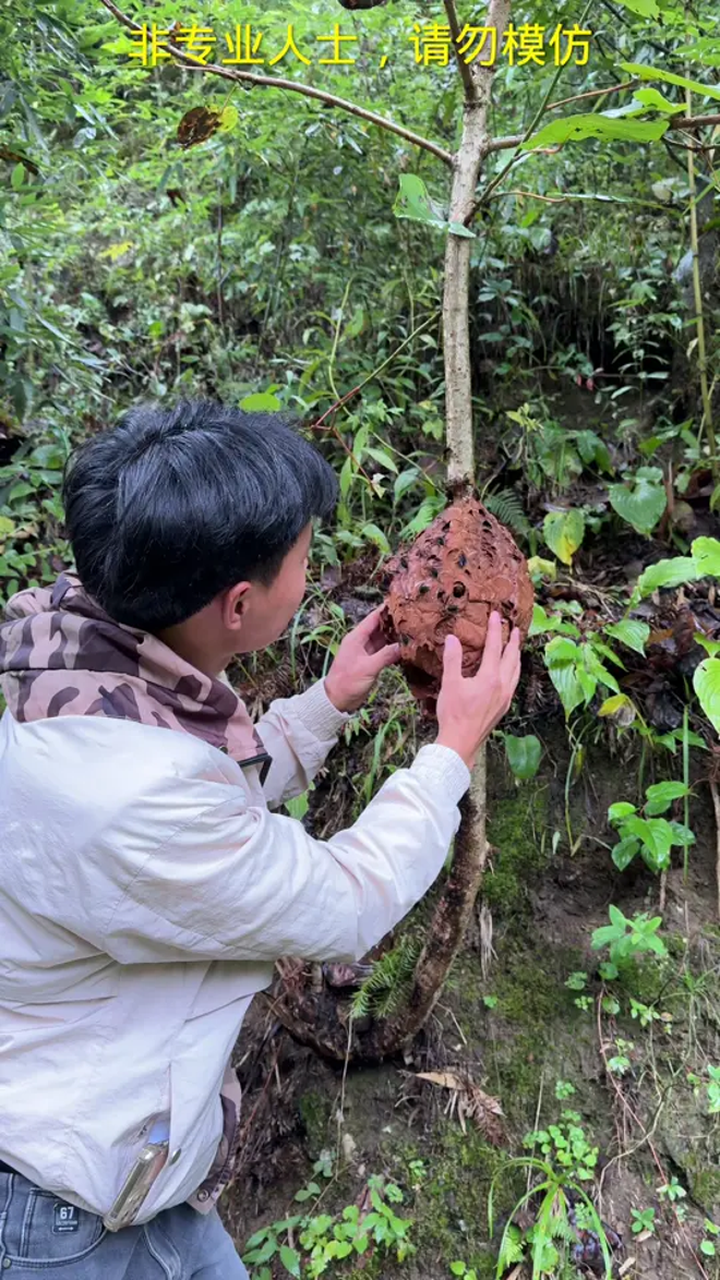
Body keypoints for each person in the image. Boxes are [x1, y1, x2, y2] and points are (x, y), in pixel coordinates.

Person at [0, 400, 521, 1278]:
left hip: (142, 1176)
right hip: (69, 1221)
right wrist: (450, 752)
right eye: (304, 557)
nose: (313, 570)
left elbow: (208, 813)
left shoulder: (86, 670)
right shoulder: (129, 799)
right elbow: (343, 899)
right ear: (238, 603)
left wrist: (327, 702)